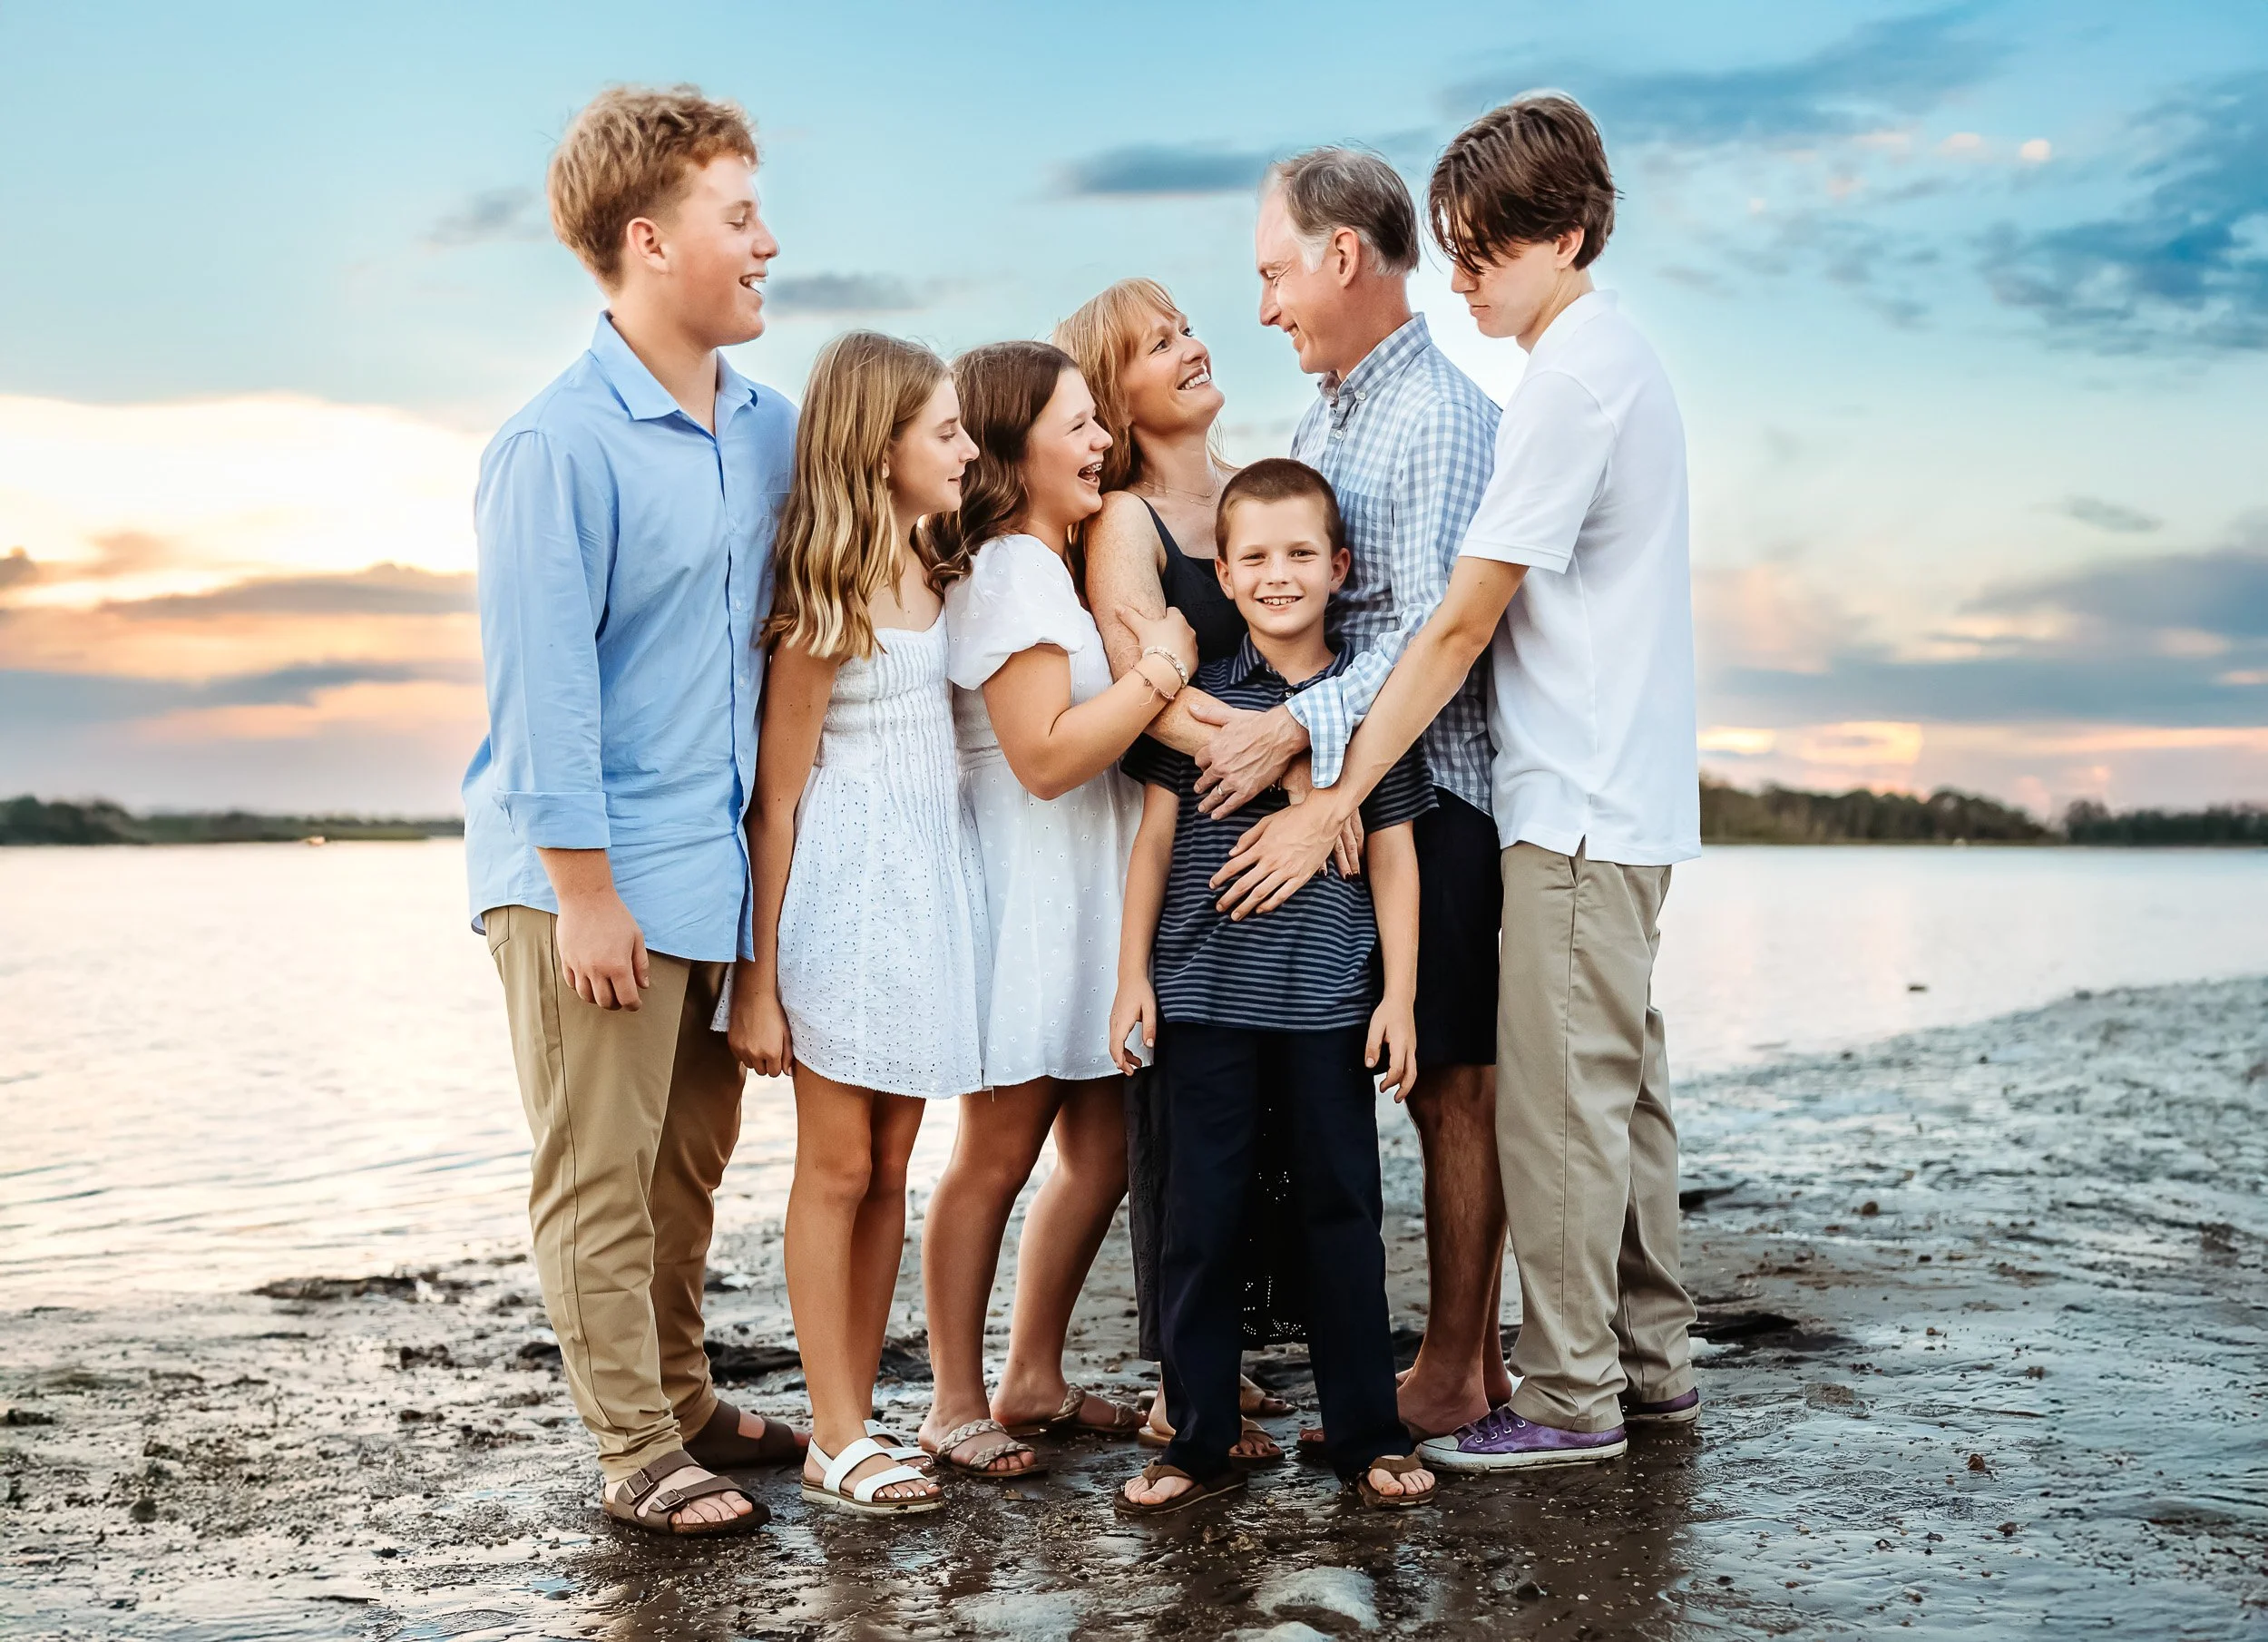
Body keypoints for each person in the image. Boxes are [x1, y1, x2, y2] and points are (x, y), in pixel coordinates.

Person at [1211, 94, 1703, 1471]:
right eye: (1456, 248)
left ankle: (1568, 1398)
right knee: (1621, 1099)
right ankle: (1650, 1367)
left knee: (1558, 1109)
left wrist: (1331, 786)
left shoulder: (1565, 386)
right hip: (1605, 790)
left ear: (1569, 236)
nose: (1463, 277)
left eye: (1486, 251)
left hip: (1568, 795)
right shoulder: (1595, 365)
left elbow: (1452, 622)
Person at [462, 85, 796, 1537]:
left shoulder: (772, 429)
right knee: (598, 1169)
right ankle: (635, 1449)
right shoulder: (556, 445)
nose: (769, 244)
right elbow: (544, 692)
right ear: (651, 240)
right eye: (741, 217)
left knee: (684, 1167)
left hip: (712, 867)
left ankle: (683, 1395)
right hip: (582, 875)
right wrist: (585, 890)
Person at [1237, 148, 1512, 1445]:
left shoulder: (1438, 419)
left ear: (1343, 256)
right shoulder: (1328, 421)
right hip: (1355, 791)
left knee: (1453, 1085)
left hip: (1436, 796)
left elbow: (1424, 637)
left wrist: (1301, 743)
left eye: (1274, 273)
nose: (1265, 306)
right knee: (1406, 1075)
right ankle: (1470, 1361)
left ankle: (1454, 1366)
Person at [1109, 459, 1438, 1515]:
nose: (1278, 573)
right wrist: (1131, 977)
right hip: (1202, 997)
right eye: (1254, 556)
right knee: (1199, 1222)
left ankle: (1367, 1432)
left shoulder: (1370, 710)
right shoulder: (1202, 704)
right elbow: (1153, 842)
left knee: (1340, 1216)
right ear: (1223, 572)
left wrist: (1398, 998)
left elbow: (1395, 855)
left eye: (1300, 553)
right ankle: (1196, 1439)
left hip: (1327, 1005)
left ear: (1339, 567)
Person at [915, 341, 1198, 1480]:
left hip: (1086, 895)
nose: (1100, 442)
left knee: (1100, 1150)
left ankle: (1031, 1374)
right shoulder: (1009, 572)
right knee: (995, 1152)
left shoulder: (1052, 567)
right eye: (1076, 424)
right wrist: (1160, 673)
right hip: (1027, 899)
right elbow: (1040, 757)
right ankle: (951, 1400)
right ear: (1011, 445)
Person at [724, 331, 985, 1516]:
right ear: (879, 448)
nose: (966, 450)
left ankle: (860, 1414)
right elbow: (777, 801)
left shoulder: (937, 563)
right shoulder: (823, 593)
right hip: (841, 897)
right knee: (835, 1165)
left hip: (924, 894)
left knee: (891, 1167)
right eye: (944, 430)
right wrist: (758, 981)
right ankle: (832, 1434)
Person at [1054, 280, 1302, 1464]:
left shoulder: (1259, 496)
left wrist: (1313, 775)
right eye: (1158, 344)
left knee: (1267, 1120)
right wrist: (1282, 759)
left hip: (1292, 849)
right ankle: (1177, 1381)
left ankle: (1228, 1352)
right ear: (1117, 396)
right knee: (1181, 1128)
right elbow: (1145, 684)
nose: (1193, 347)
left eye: (1186, 328)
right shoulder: (1125, 522)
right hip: (1190, 837)